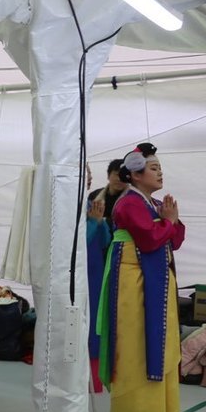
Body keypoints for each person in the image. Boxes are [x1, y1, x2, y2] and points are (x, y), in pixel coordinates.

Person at [98, 142, 185, 412]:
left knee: (154, 338)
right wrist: (168, 222)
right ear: (135, 175)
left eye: (160, 167)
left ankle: (156, 411)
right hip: (133, 280)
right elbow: (149, 240)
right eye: (153, 168)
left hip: (152, 278)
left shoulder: (153, 204)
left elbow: (175, 239)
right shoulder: (130, 202)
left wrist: (170, 220)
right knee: (135, 339)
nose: (160, 172)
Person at [85, 164, 113, 391]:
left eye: (90, 175)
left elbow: (104, 242)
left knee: (95, 323)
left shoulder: (88, 205)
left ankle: (94, 381)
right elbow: (77, 247)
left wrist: (101, 222)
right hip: (80, 275)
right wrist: (94, 223)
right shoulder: (66, 207)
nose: (88, 179)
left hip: (95, 272)